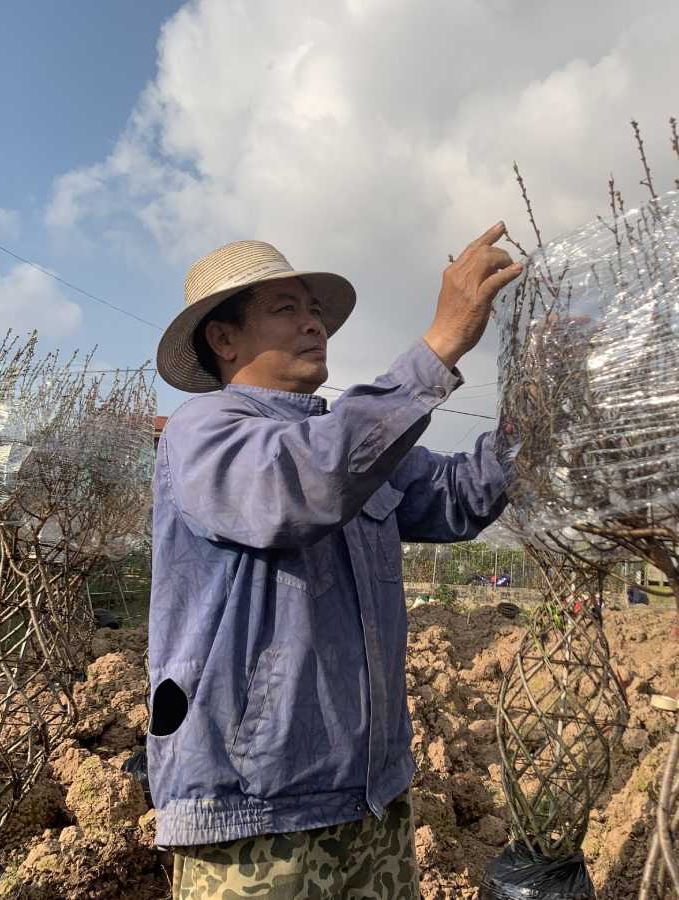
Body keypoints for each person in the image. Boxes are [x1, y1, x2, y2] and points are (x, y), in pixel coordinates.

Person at [148, 225, 521, 899]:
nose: (313, 323)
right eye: (285, 309)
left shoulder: (346, 438)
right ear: (224, 340)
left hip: (371, 800)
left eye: (314, 310)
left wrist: (536, 403)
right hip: (257, 817)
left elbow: (462, 497)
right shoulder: (202, 435)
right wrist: (437, 348)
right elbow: (305, 486)